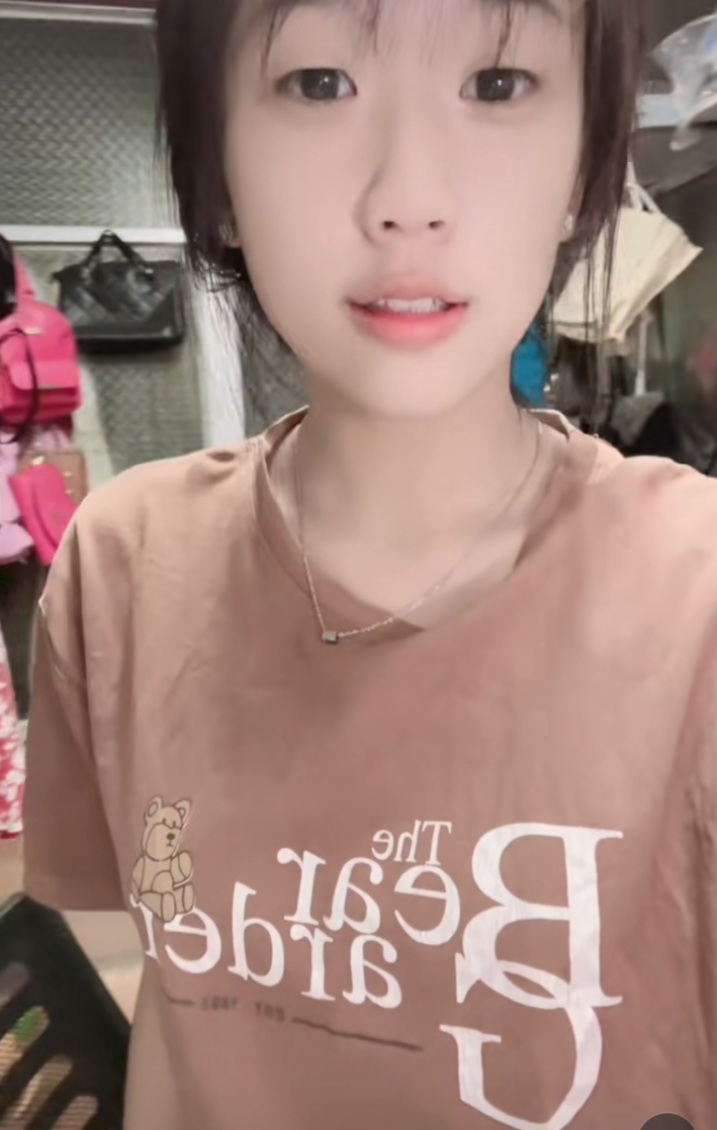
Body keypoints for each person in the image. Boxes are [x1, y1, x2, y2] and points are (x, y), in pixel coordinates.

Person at [20, 0, 717, 1127]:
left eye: (496, 85)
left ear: (585, 174)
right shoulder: (123, 565)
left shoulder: (695, 595)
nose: (408, 197)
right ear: (216, 174)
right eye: (319, 84)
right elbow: (184, 1025)